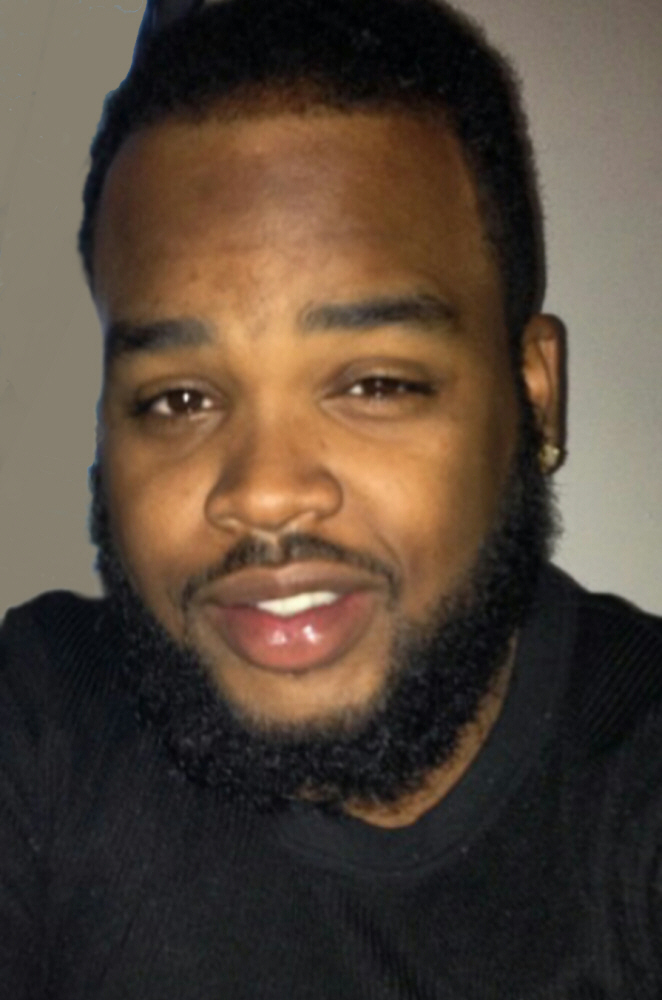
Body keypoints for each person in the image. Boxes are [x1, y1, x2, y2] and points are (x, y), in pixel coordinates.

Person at [1, 0, 660, 994]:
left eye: (374, 385)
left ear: (532, 398)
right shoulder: (43, 721)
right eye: (179, 399)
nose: (265, 494)